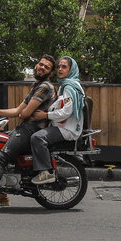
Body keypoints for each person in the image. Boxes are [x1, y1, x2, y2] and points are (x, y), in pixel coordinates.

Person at [0, 54, 58, 214]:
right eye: (41, 64)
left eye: (46, 67)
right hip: (25, 128)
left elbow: (24, 113)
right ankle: (2, 195)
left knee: (0, 159)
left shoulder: (45, 87)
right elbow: (17, 111)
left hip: (31, 130)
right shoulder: (36, 86)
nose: (42, 68)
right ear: (36, 65)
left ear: (50, 73)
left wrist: (24, 114)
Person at [30, 56, 85, 185]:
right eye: (59, 66)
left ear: (71, 70)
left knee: (37, 138)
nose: (60, 69)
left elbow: (66, 111)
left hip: (67, 129)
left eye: (64, 67)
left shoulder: (70, 87)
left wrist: (45, 115)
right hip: (64, 126)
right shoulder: (65, 85)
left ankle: (46, 172)